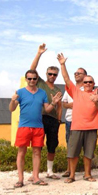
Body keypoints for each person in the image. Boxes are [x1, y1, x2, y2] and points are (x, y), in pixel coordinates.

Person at [9, 70, 62, 188]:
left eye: (34, 78)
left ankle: (36, 177)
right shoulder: (20, 92)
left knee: (37, 152)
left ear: (37, 79)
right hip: (24, 126)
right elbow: (12, 109)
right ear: (26, 79)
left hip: (38, 127)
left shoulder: (42, 93)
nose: (32, 81)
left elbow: (47, 110)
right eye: (29, 79)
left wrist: (53, 103)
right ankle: (20, 179)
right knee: (21, 152)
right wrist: (13, 100)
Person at [57, 53, 98, 183]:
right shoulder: (76, 92)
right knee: (73, 153)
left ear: (93, 83)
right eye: (86, 82)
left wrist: (96, 100)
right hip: (76, 127)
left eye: (90, 82)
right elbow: (66, 78)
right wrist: (62, 64)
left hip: (92, 128)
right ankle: (71, 176)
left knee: (89, 153)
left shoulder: (97, 94)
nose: (87, 84)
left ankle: (87, 175)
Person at [30, 43, 62, 180]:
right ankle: (34, 173)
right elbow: (31, 70)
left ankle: (49, 171)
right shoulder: (40, 83)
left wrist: (59, 120)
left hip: (53, 120)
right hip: (40, 118)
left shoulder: (57, 90)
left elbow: (59, 106)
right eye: (50, 74)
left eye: (54, 74)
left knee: (52, 145)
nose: (52, 76)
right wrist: (39, 53)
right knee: (37, 145)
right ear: (46, 74)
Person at [61, 67, 87, 178]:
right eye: (75, 73)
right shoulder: (69, 88)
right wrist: (71, 105)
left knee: (85, 146)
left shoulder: (87, 87)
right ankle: (69, 169)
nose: (76, 75)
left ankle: (87, 172)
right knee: (70, 145)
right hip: (70, 120)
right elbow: (64, 104)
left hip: (82, 120)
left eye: (79, 73)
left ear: (85, 75)